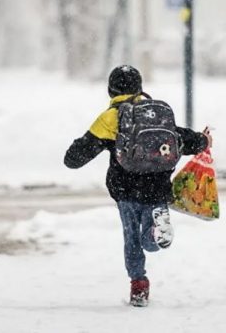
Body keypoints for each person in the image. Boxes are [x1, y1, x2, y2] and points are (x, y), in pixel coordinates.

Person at [64, 65, 212, 307]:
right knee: (149, 241)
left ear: (111, 90)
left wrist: (80, 147)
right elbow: (182, 138)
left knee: (132, 239)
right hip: (158, 186)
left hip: (126, 189)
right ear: (140, 87)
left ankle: (139, 286)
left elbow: (74, 159)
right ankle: (156, 230)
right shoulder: (157, 113)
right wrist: (204, 140)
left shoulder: (111, 117)